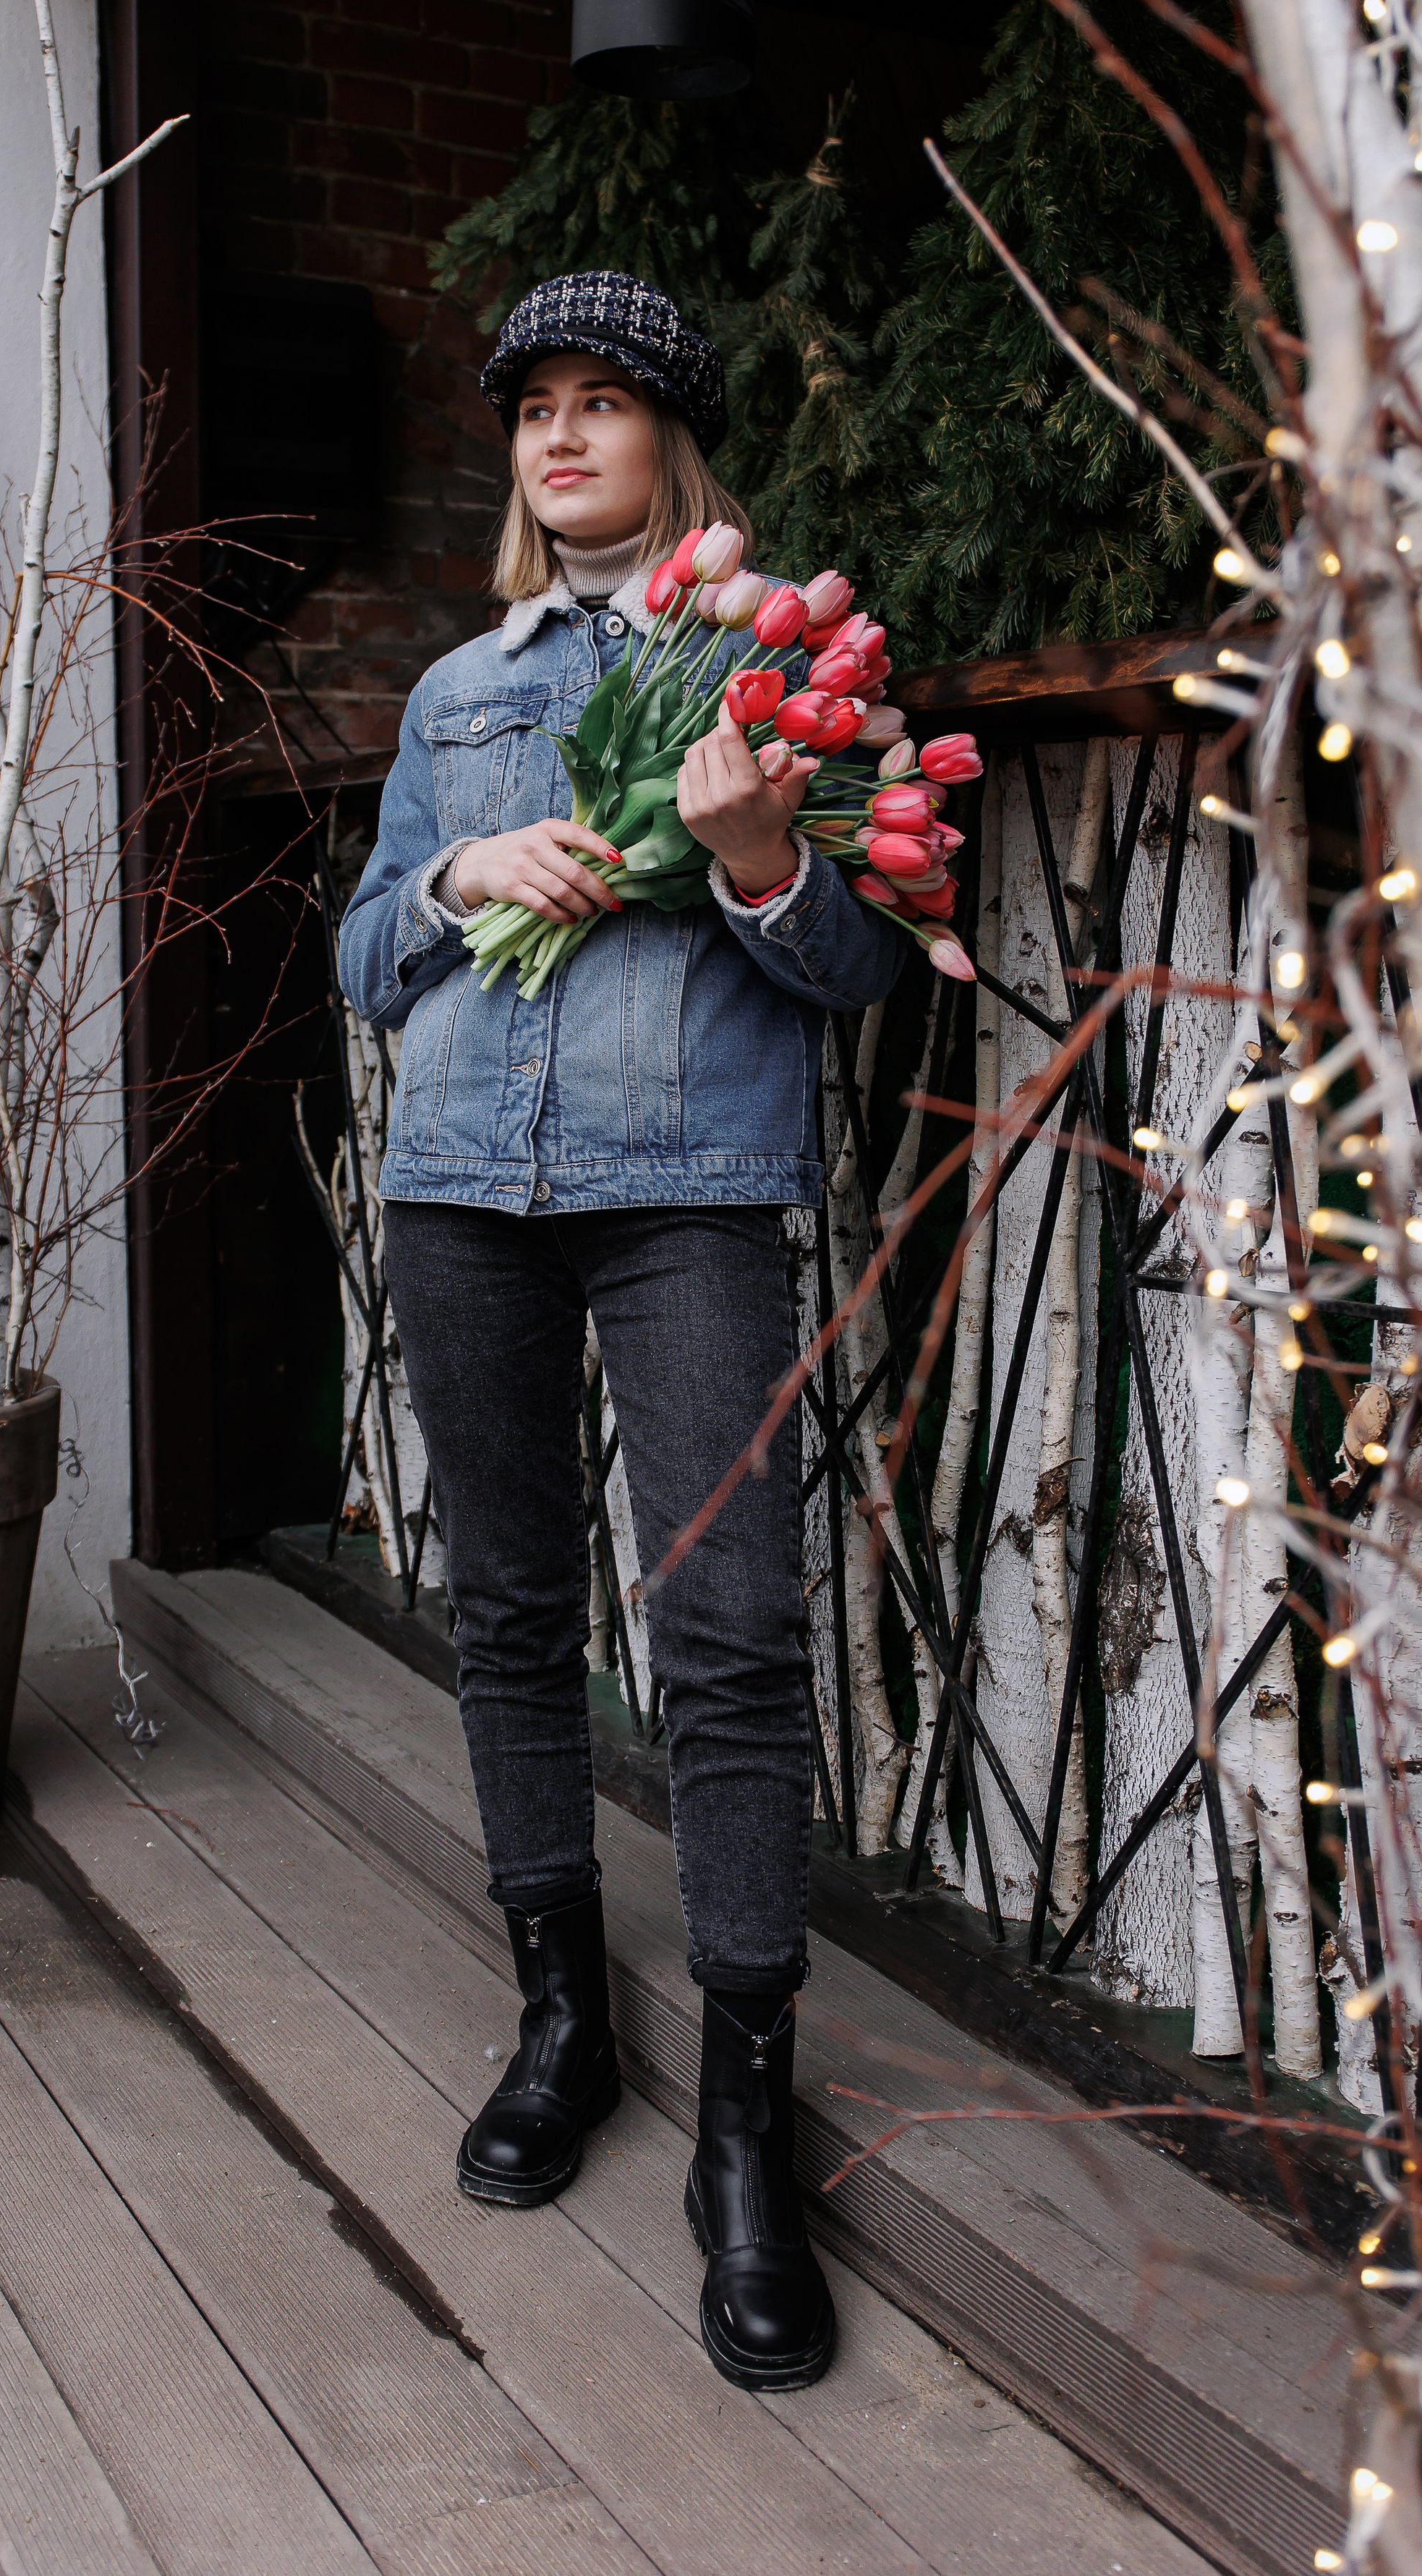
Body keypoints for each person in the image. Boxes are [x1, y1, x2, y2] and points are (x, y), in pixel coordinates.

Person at [338, 271, 903, 2393]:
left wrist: (759, 861)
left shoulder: (774, 673)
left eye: (605, 402)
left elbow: (857, 972)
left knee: (732, 1633)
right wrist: (463, 865)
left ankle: (747, 2122)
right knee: (508, 1609)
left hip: (687, 1193)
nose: (561, 434)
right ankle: (565, 2019)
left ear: (674, 439)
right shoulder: (455, 690)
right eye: (533, 408)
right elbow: (366, 956)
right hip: (461, 1184)